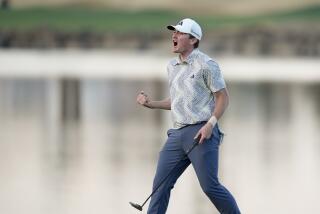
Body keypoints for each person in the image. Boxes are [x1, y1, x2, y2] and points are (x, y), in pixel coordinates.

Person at [136, 18, 241, 214]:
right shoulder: (172, 66)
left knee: (210, 187)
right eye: (173, 33)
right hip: (177, 136)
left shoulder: (207, 65)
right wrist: (152, 104)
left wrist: (210, 124)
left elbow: (223, 98)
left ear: (193, 40)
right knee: (160, 186)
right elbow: (177, 101)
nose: (174, 36)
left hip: (202, 133)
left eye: (180, 33)